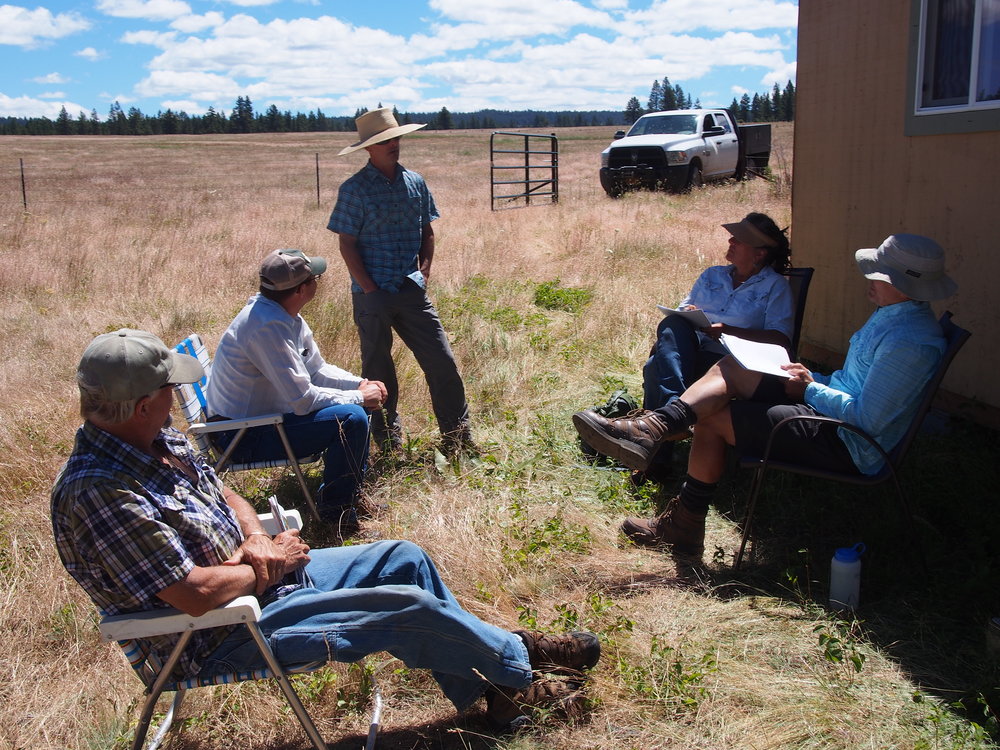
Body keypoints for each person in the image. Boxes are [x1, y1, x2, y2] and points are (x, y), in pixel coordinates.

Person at [51, 329, 600, 732]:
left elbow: (221, 492)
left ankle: (498, 683)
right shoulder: (100, 491)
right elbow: (192, 595)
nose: (174, 400)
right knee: (403, 606)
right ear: (144, 404)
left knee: (403, 558)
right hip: (220, 634)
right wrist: (266, 567)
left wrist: (257, 537)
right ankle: (522, 672)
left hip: (260, 584)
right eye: (169, 391)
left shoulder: (151, 438)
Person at [573, 234, 956, 558]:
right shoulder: (894, 314)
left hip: (848, 442)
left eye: (878, 274)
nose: (868, 280)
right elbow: (855, 383)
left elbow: (867, 420)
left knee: (712, 416)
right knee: (734, 366)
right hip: (831, 414)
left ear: (905, 285)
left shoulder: (910, 342)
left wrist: (811, 389)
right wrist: (814, 377)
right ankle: (656, 426)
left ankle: (682, 522)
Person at [327, 107, 474, 455]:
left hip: (410, 288)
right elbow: (346, 242)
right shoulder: (354, 189)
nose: (393, 145)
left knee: (442, 361)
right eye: (384, 141)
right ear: (368, 148)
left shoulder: (415, 182)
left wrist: (423, 272)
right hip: (371, 294)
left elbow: (427, 231)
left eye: (395, 138)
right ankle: (388, 442)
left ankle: (457, 437)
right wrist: (370, 289)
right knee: (378, 372)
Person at [205, 248, 386, 529]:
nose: (318, 282)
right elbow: (303, 401)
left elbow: (317, 370)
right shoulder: (266, 327)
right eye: (315, 278)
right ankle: (336, 513)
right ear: (302, 289)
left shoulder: (282, 316)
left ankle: (348, 495)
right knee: (352, 418)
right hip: (241, 437)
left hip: (256, 424)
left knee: (356, 409)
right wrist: (361, 397)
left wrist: (359, 384)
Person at [630, 212, 794, 480]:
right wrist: (689, 312)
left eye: (739, 240)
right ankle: (674, 409)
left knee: (655, 366)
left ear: (759, 254)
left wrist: (729, 331)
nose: (731, 241)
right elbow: (683, 309)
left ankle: (656, 458)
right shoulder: (712, 275)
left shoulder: (775, 287)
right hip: (693, 347)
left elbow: (781, 339)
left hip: (732, 362)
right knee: (673, 325)